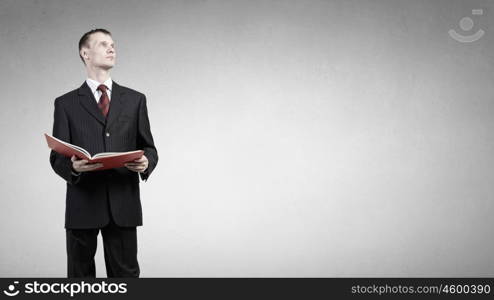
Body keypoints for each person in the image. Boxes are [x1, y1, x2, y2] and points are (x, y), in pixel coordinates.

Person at [49, 28, 158, 278]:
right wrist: (73, 167)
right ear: (84, 53)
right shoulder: (65, 104)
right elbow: (57, 157)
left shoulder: (135, 100)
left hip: (124, 203)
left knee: (126, 277)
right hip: (82, 204)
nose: (112, 49)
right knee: (80, 278)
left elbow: (149, 147)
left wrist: (146, 162)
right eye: (103, 44)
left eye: (113, 45)